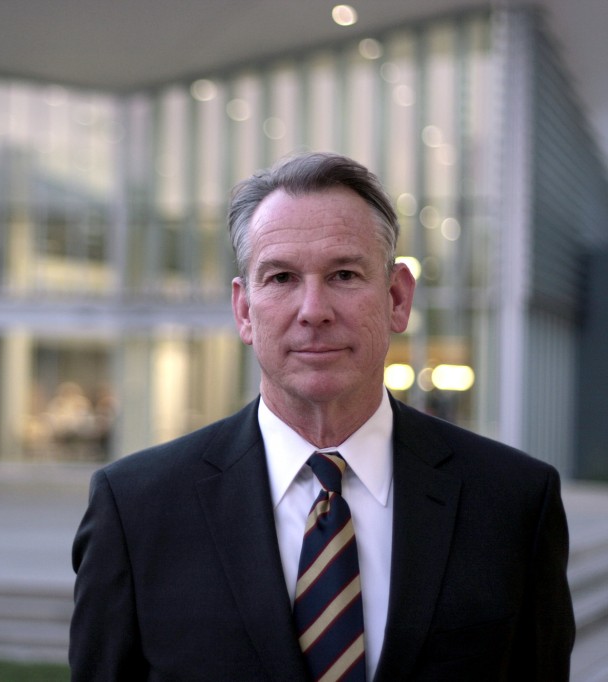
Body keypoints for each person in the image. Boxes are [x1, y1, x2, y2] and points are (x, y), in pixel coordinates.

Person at [69, 151, 574, 681]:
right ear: (245, 311)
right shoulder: (136, 510)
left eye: (344, 274)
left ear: (398, 298)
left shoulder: (514, 503)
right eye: (282, 277)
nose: (314, 310)